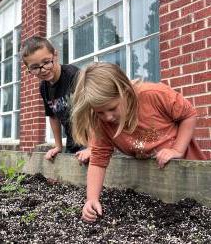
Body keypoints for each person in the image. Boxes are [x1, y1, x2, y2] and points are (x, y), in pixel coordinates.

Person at [71, 62, 208, 222]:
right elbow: (98, 160)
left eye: (113, 108)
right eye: (100, 112)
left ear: (125, 91)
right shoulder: (101, 123)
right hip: (156, 186)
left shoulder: (153, 95)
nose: (108, 117)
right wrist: (91, 199)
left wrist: (177, 150)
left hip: (190, 172)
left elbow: (189, 114)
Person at [21, 36, 90, 163]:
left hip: (94, 141)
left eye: (47, 62)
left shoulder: (74, 76)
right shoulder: (44, 88)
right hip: (73, 143)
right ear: (29, 69)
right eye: (35, 67)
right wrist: (58, 146)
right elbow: (53, 116)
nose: (43, 70)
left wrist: (93, 147)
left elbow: (94, 110)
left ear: (55, 55)